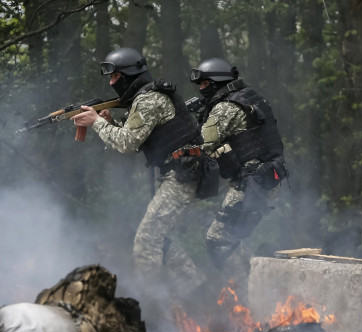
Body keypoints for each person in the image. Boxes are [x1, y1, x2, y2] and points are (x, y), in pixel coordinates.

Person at [72, 47, 209, 295]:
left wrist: (97, 123)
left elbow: (126, 144)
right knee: (162, 239)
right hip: (177, 171)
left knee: (147, 241)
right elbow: (136, 139)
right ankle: (197, 292)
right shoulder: (145, 98)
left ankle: (152, 307)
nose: (112, 82)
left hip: (182, 173)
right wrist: (110, 123)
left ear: (130, 75)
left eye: (115, 77)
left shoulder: (149, 99)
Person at [189, 57, 289, 289]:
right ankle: (248, 293)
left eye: (204, 84)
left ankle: (246, 297)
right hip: (264, 179)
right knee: (233, 240)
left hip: (253, 184)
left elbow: (202, 144)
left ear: (216, 82)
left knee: (218, 241)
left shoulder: (226, 107)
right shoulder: (250, 97)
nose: (201, 89)